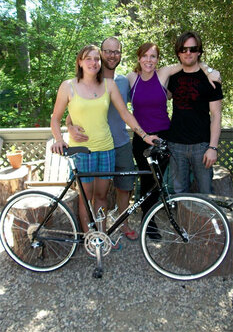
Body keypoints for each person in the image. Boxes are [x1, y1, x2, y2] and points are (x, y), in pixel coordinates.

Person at [50, 44, 157, 241]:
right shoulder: (68, 86)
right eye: (88, 58)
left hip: (106, 149)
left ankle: (102, 236)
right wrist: (59, 139)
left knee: (101, 196)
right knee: (86, 198)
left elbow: (125, 113)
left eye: (96, 59)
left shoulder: (109, 85)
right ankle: (90, 238)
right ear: (80, 62)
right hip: (81, 151)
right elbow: (55, 118)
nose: (93, 62)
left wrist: (144, 135)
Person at [127, 42, 220, 223]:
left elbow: (191, 61)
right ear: (138, 58)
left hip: (163, 136)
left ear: (157, 59)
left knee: (159, 181)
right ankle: (148, 220)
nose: (148, 60)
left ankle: (165, 217)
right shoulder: (131, 78)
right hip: (141, 136)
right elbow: (115, 101)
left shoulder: (163, 73)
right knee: (146, 178)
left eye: (153, 56)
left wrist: (210, 71)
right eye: (144, 56)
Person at [66, 37, 138, 241]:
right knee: (91, 195)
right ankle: (92, 236)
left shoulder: (124, 81)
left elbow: (131, 109)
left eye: (116, 51)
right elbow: (70, 116)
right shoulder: (86, 81)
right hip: (92, 146)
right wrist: (70, 128)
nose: (112, 55)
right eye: (107, 51)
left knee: (124, 188)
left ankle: (122, 225)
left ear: (121, 54)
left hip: (121, 143)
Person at [167, 31, 223, 194]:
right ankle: (183, 221)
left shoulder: (211, 79)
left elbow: (216, 115)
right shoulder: (174, 77)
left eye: (192, 49)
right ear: (178, 52)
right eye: (183, 49)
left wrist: (213, 147)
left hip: (202, 146)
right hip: (176, 145)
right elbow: (160, 99)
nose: (188, 53)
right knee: (178, 194)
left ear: (199, 51)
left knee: (205, 193)